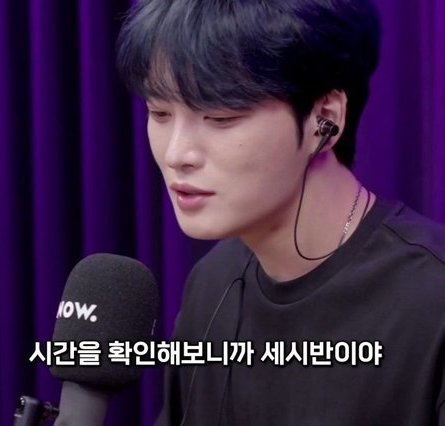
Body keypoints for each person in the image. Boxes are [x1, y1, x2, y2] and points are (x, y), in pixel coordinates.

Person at [116, 0, 445, 425]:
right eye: (159, 113)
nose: (177, 154)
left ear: (324, 121)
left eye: (220, 117)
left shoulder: (430, 300)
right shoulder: (213, 284)